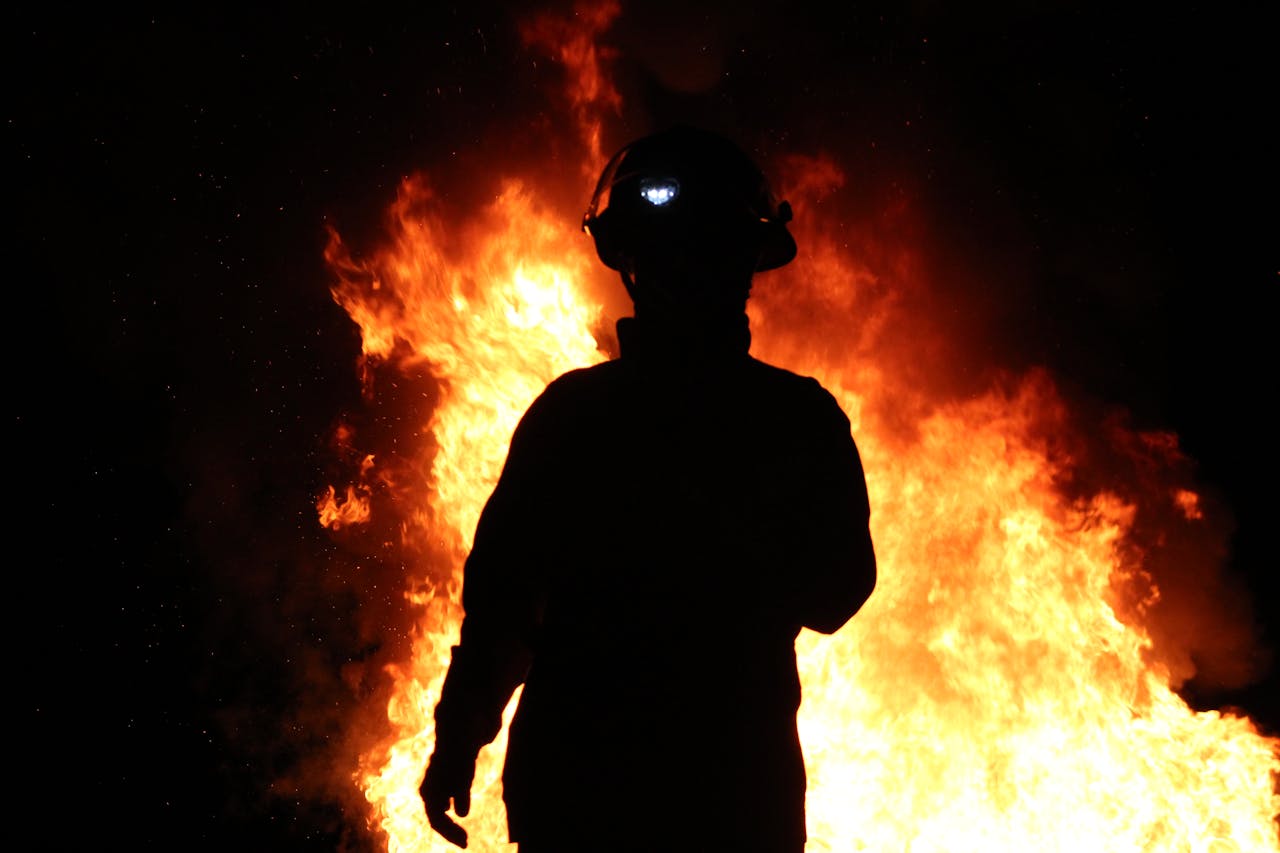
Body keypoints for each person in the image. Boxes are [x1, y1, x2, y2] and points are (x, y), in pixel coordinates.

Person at [420, 124, 877, 852]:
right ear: (750, 264)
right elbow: (835, 594)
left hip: (585, 793)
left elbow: (505, 610)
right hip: (731, 797)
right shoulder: (796, 420)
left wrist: (459, 738)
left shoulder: (573, 416)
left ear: (627, 263)